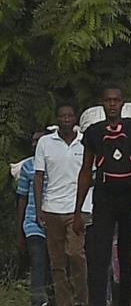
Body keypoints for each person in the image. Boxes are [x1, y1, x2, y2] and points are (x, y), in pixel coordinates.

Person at [75, 86, 131, 306]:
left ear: (122, 103)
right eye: (108, 100)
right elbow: (85, 170)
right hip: (104, 197)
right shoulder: (94, 132)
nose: (112, 104)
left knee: (126, 257)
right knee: (99, 255)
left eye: (116, 100)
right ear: (102, 103)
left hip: (130, 197)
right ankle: (97, 301)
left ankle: (124, 301)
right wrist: (78, 209)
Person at [34, 104, 89, 306]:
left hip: (77, 208)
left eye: (70, 115)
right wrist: (39, 209)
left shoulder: (86, 141)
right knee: (57, 261)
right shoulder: (45, 143)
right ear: (57, 118)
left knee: (75, 254)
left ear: (75, 118)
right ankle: (63, 301)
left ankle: (82, 300)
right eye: (62, 116)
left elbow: (91, 175)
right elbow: (38, 177)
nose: (66, 119)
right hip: (51, 208)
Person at [18, 130, 52, 306]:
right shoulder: (27, 167)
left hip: (56, 221)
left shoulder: (55, 163)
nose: (35, 144)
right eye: (33, 141)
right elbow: (22, 198)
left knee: (56, 266)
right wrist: (20, 230)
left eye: (39, 140)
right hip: (32, 223)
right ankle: (37, 302)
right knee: (38, 262)